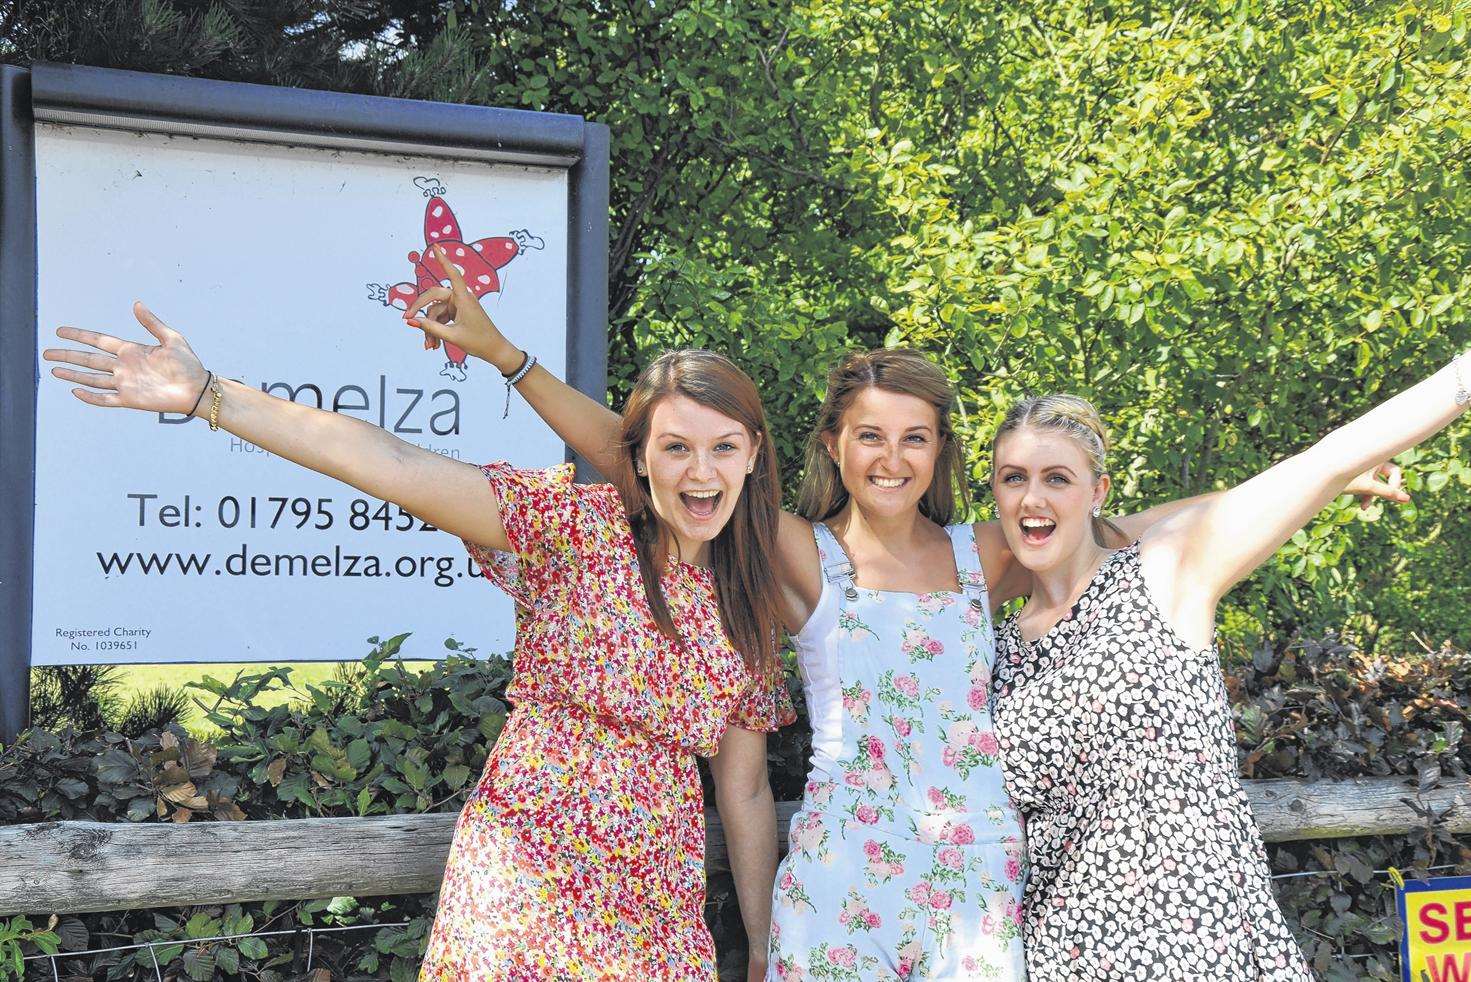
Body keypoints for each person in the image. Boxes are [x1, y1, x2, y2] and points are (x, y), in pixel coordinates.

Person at [391, 274, 1398, 978]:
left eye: (914, 438)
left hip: (973, 871)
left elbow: (1154, 527)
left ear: (938, 450)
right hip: (843, 867)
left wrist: (1330, 474)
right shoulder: (794, 548)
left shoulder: (986, 553)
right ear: (835, 443)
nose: (891, 456)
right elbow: (638, 458)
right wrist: (508, 357)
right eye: (870, 435)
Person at [42, 253, 795, 980]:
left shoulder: (749, 603)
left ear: (754, 455)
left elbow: (747, 789)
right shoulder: (575, 529)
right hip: (525, 883)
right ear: (638, 459)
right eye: (675, 449)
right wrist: (210, 394)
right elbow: (392, 464)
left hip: (653, 907)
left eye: (722, 448)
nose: (700, 471)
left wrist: (760, 943)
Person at [986, 370, 1458, 979]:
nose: (1032, 499)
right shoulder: (994, 652)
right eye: (1013, 478)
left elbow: (1330, 456)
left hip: (1200, 945)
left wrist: (1462, 379)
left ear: (1097, 490)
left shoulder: (1163, 573)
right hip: (1063, 959)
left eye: (1057, 478)